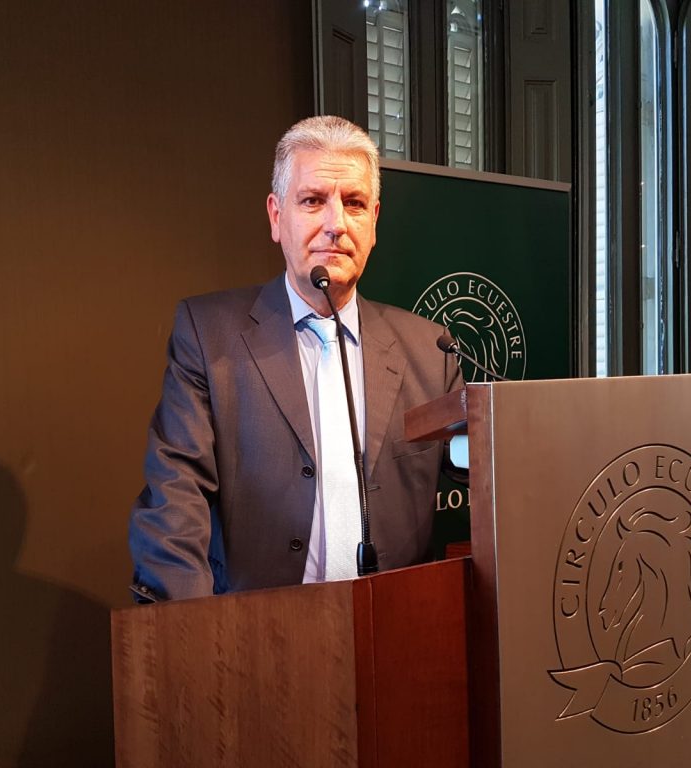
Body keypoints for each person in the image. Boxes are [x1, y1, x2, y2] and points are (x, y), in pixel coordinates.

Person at [128, 115, 462, 602]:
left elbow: (486, 479)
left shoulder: (431, 351)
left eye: (354, 203)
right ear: (276, 216)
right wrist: (195, 632)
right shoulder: (209, 336)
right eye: (312, 201)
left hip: (395, 626)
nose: (336, 224)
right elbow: (174, 498)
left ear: (374, 221)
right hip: (259, 630)